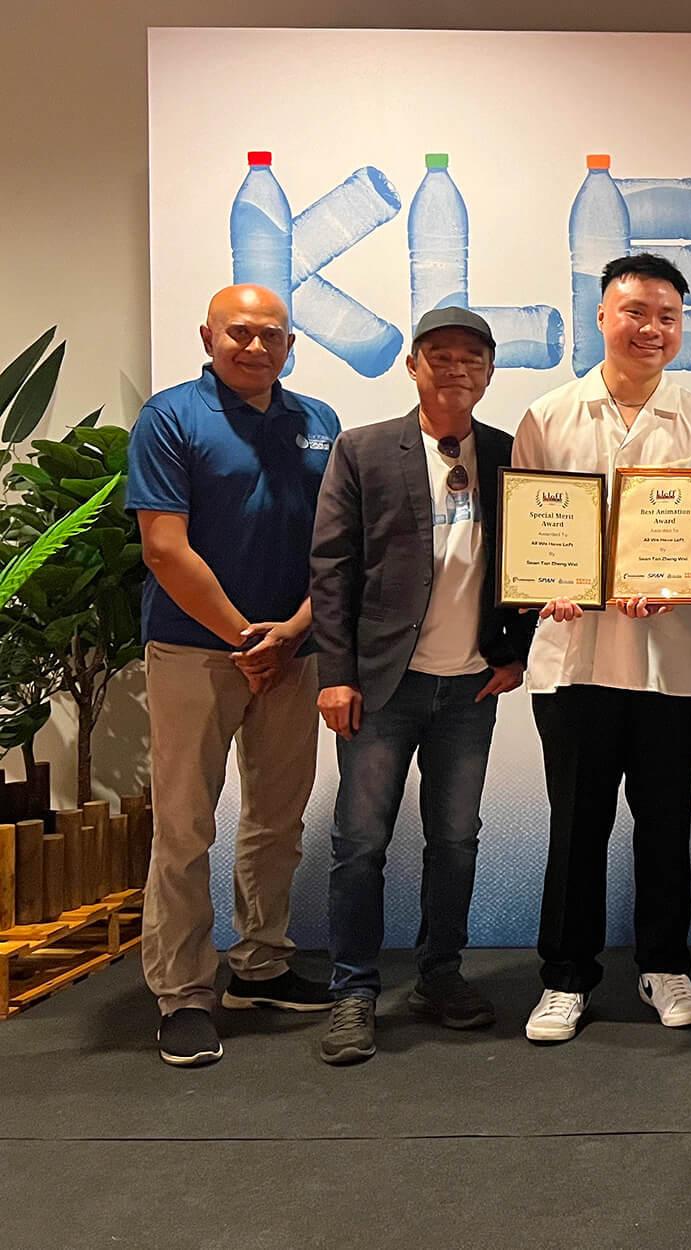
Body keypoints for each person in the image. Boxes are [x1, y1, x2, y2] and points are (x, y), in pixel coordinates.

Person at [513, 253, 691, 1044]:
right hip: (573, 656)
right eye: (635, 312)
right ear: (602, 317)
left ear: (682, 329)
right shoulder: (549, 415)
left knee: (664, 820)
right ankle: (565, 977)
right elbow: (529, 535)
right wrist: (550, 579)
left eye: (667, 317)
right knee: (575, 823)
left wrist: (679, 579)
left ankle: (664, 963)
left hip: (672, 659)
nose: (651, 328)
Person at [307, 308, 535, 1065]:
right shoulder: (364, 450)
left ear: (490, 371)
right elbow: (331, 573)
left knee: (457, 842)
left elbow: (534, 567)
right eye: (440, 356)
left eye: (472, 357)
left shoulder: (510, 456)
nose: (456, 369)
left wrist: (517, 651)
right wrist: (334, 676)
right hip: (381, 688)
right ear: (413, 365)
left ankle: (440, 974)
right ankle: (354, 992)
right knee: (360, 843)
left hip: (469, 687)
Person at [127, 284, 339, 1067]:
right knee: (185, 826)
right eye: (238, 333)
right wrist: (248, 637)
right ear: (208, 335)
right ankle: (183, 992)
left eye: (271, 335)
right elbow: (164, 549)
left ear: (291, 346)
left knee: (277, 819)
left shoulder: (318, 423)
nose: (254, 347)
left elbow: (336, 548)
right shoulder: (171, 417)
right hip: (195, 651)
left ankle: (261, 964)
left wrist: (288, 635)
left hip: (294, 652)